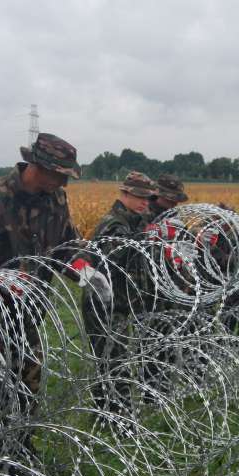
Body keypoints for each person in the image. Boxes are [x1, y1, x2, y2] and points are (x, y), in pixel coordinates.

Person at [0, 132, 111, 458]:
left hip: (30, 315)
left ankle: (22, 447)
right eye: (60, 175)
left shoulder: (55, 200)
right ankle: (0, 462)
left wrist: (84, 270)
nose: (64, 184)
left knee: (28, 389)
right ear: (38, 167)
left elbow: (65, 246)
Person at [82, 171, 157, 420]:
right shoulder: (113, 224)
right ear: (123, 193)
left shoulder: (134, 221)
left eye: (148, 198)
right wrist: (149, 240)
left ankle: (111, 414)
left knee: (118, 359)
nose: (145, 202)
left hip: (122, 303)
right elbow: (114, 258)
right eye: (139, 196)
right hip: (106, 303)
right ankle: (115, 417)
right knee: (113, 362)